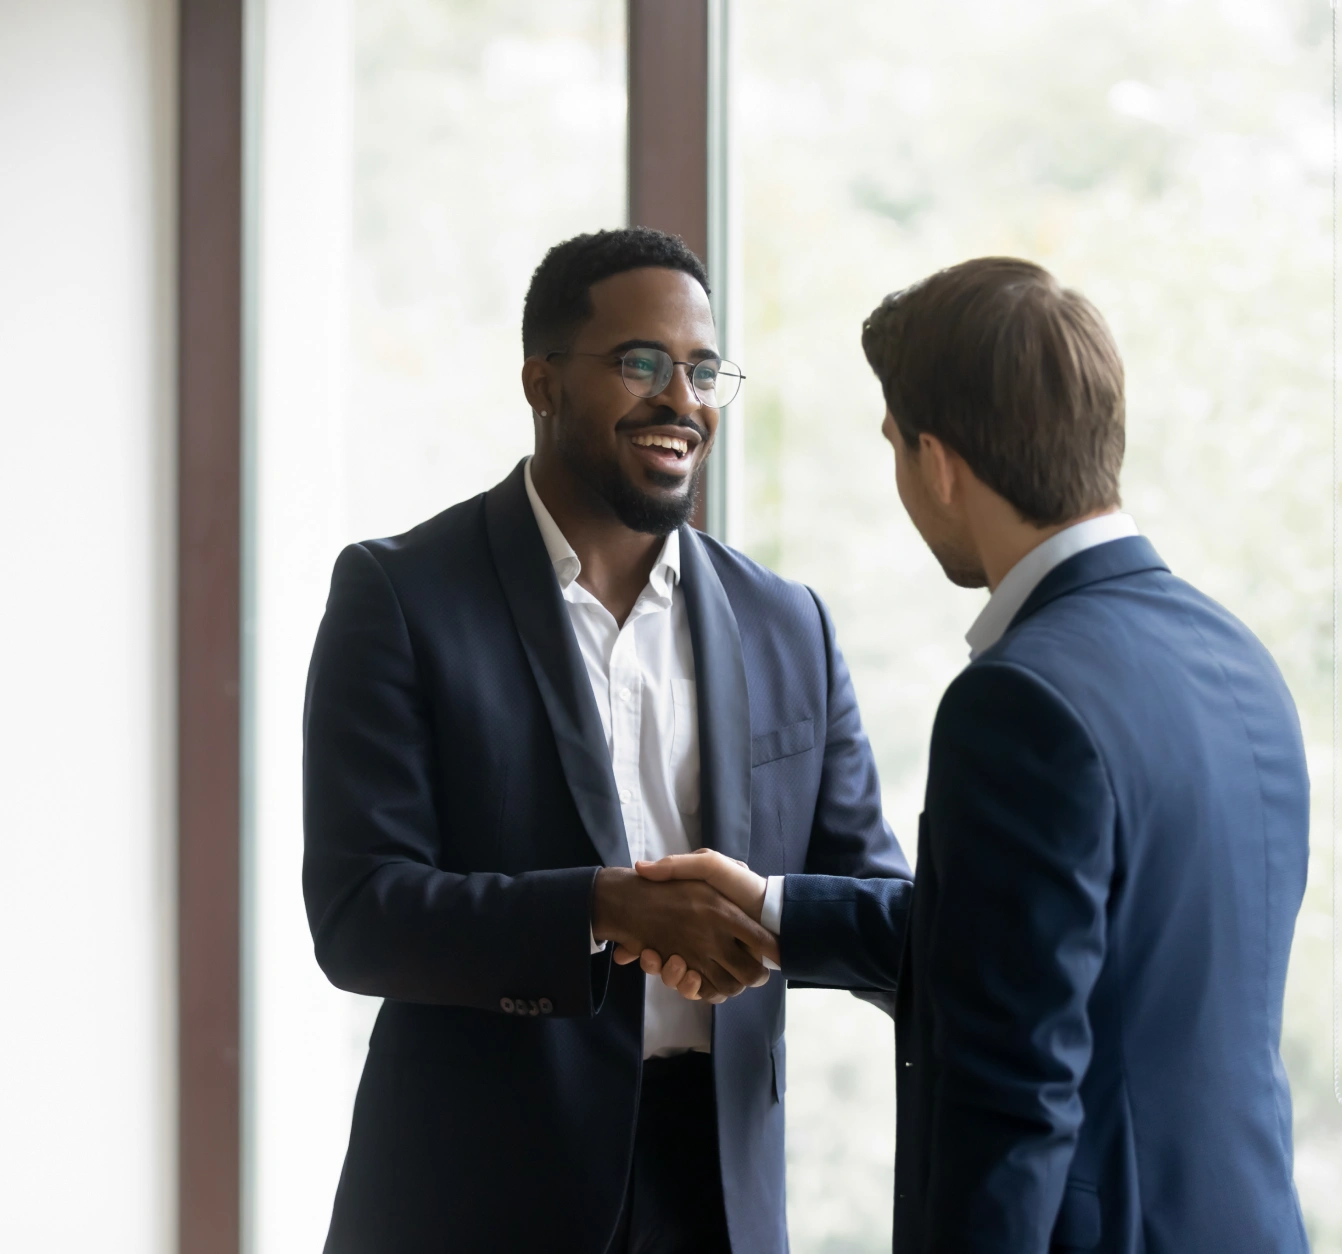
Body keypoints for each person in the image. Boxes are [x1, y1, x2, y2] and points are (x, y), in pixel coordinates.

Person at [640, 257, 1312, 1253]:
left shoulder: (1018, 700)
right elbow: (1063, 953)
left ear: (939, 461)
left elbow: (1015, 1096)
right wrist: (780, 912)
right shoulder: (1235, 656)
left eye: (895, 452)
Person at [301, 226, 911, 1254]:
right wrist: (595, 907)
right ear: (542, 381)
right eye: (643, 363)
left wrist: (766, 915)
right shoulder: (399, 596)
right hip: (475, 1198)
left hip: (717, 1194)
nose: (683, 398)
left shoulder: (787, 624)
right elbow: (359, 916)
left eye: (705, 369)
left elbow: (882, 909)